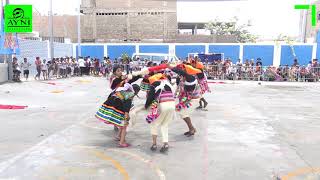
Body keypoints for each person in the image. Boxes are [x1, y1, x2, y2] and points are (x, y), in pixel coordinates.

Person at [145, 73, 175, 153]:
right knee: (164, 125)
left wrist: (146, 106)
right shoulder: (168, 84)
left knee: (154, 124)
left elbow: (150, 97)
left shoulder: (154, 84)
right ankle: (166, 143)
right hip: (172, 105)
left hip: (163, 105)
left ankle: (154, 144)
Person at [170, 63, 202, 137]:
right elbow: (180, 87)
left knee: (183, 113)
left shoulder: (191, 78)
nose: (180, 72)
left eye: (182, 70)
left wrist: (170, 67)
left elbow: (188, 95)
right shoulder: (183, 77)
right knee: (183, 113)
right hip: (186, 98)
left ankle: (192, 129)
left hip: (193, 100)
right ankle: (192, 128)